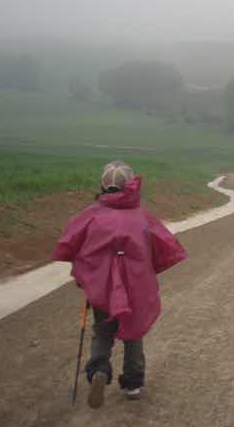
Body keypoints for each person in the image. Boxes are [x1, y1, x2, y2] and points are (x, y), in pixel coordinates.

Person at [52, 161, 187, 408]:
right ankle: (133, 384)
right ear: (130, 185)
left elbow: (76, 246)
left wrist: (87, 277)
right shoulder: (142, 216)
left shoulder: (91, 215)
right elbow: (161, 247)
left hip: (102, 286)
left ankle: (99, 370)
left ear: (103, 184)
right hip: (135, 285)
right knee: (133, 332)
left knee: (103, 331)